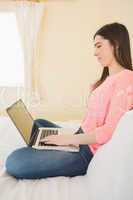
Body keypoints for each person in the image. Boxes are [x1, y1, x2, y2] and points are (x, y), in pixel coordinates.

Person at [6, 22, 133, 179]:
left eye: (99, 46)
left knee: (13, 162)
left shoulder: (127, 78)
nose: (94, 52)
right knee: (39, 124)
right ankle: (44, 145)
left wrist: (69, 139)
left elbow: (109, 130)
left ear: (116, 44)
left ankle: (43, 148)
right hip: (80, 137)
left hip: (84, 152)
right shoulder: (108, 79)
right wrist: (69, 139)